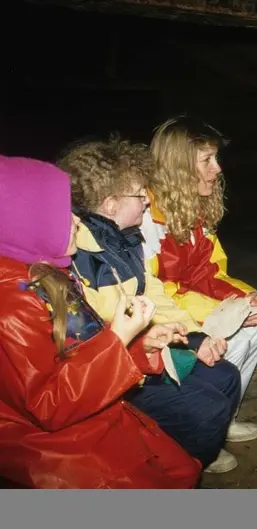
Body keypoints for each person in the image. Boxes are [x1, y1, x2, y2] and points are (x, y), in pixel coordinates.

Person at [0, 154, 201, 488]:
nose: (78, 222)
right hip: (55, 448)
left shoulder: (45, 274)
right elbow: (50, 406)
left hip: (94, 415)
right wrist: (118, 340)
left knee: (184, 470)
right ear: (26, 220)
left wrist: (138, 346)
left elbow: (78, 351)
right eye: (61, 212)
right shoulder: (13, 305)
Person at [63, 137, 243, 474]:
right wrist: (154, 345)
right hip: (115, 374)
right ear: (110, 203)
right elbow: (93, 338)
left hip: (136, 355)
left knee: (225, 376)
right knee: (208, 406)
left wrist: (195, 336)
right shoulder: (79, 254)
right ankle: (174, 465)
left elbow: (154, 294)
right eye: (139, 193)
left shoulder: (123, 240)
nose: (148, 199)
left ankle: (191, 454)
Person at [141, 116, 257, 462]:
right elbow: (155, 293)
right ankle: (193, 433)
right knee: (227, 332)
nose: (218, 168)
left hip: (187, 307)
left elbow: (210, 270)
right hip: (161, 322)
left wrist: (245, 297)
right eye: (207, 160)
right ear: (179, 168)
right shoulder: (144, 218)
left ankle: (223, 417)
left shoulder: (191, 208)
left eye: (215, 158)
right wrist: (212, 311)